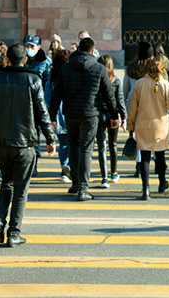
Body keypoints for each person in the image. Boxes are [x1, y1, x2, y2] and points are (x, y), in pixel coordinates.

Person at [0, 44, 57, 247]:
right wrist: (50, 139)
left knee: (6, 183)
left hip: (1, 143)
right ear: (24, 60)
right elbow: (42, 113)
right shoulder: (33, 80)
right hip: (25, 144)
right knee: (21, 189)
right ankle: (13, 232)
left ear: (7, 59)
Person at [50, 36, 116, 201]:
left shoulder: (66, 68)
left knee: (73, 146)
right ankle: (83, 189)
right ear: (92, 51)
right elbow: (109, 95)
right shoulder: (99, 68)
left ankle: (75, 182)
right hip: (90, 114)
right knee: (86, 149)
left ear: (79, 49)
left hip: (70, 114)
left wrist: (52, 117)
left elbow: (57, 94)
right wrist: (114, 115)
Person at [127, 56, 169, 200]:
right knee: (160, 155)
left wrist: (130, 125)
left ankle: (146, 189)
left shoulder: (139, 84)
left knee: (144, 156)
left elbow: (132, 107)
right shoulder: (164, 84)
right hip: (160, 126)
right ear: (162, 70)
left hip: (142, 125)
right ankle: (162, 182)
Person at [124, 42, 156, 177]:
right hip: (151, 106)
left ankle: (139, 164)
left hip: (134, 105)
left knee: (138, 136)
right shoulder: (154, 69)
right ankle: (153, 160)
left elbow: (125, 91)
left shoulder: (131, 69)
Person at [96, 54, 126, 188]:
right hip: (112, 116)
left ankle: (104, 178)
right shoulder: (116, 81)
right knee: (113, 145)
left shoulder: (95, 79)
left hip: (98, 115)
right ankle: (114, 173)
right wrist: (124, 117)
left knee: (101, 147)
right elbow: (120, 101)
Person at [45, 49, 72, 183]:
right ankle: (71, 167)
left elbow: (47, 99)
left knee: (63, 143)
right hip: (71, 113)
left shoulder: (52, 79)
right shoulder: (71, 75)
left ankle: (64, 167)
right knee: (73, 143)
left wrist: (51, 117)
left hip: (57, 116)